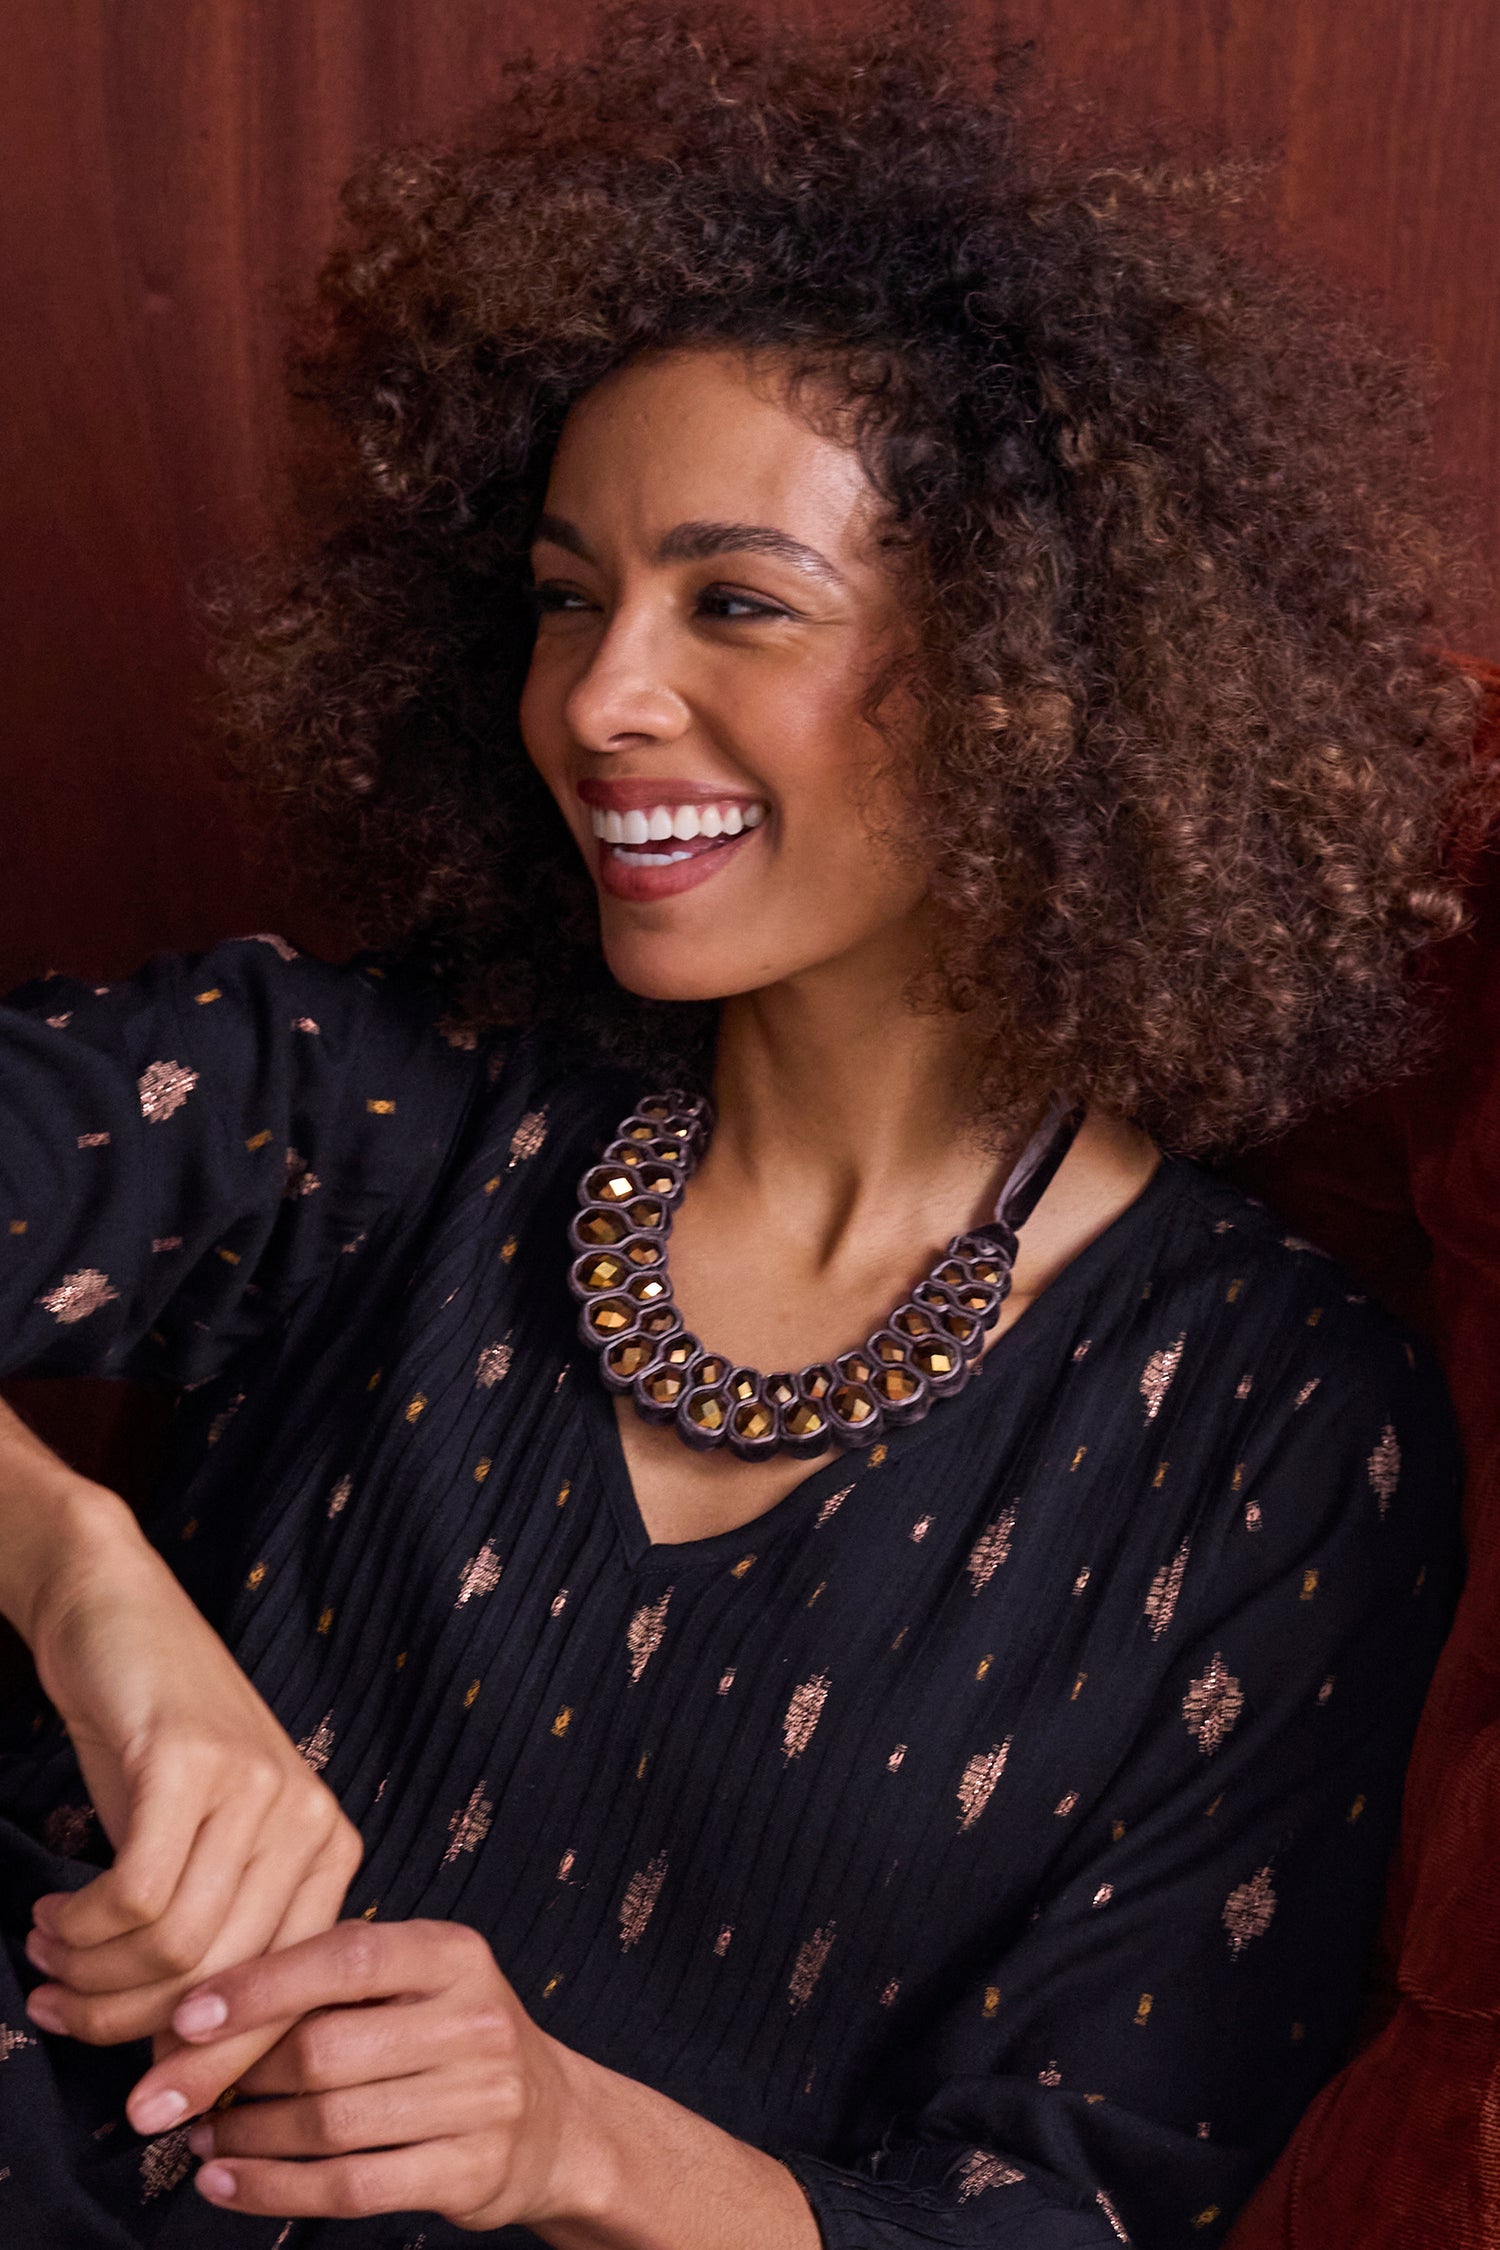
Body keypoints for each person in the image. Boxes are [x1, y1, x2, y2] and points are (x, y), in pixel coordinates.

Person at [0, 8, 1489, 2244]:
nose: (599, 700)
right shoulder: (384, 1105)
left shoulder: (1275, 1433)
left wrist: (569, 2140)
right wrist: (77, 1575)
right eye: (568, 599)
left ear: (1032, 674)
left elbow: (1077, 2213)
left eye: (735, 604)